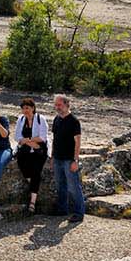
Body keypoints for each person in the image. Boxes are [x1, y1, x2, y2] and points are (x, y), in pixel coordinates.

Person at [12, 97, 50, 213]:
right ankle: (33, 185)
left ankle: (32, 202)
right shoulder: (21, 120)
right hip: (27, 148)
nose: (25, 110)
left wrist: (27, 140)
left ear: (33, 108)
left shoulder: (40, 119)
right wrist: (31, 142)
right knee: (22, 164)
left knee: (36, 171)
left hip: (40, 149)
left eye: (27, 108)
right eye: (23, 108)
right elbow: (17, 136)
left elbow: (42, 137)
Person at [50, 93, 84, 222]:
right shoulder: (56, 120)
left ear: (66, 104)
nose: (57, 107)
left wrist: (75, 160)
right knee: (60, 185)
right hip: (58, 158)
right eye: (56, 105)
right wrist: (53, 156)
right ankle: (62, 209)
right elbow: (54, 139)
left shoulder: (74, 121)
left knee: (73, 187)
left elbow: (77, 142)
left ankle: (79, 212)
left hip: (69, 159)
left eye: (59, 104)